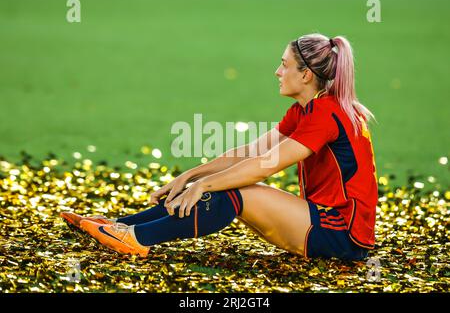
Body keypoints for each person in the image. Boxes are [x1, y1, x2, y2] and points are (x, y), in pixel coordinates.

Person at [61, 33, 378, 261]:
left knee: (233, 191)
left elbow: (267, 164)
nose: (277, 72)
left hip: (341, 234)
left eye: (285, 65)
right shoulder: (308, 109)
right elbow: (248, 153)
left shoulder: (326, 112)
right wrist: (190, 176)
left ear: (306, 74)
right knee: (227, 185)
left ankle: (137, 238)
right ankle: (122, 226)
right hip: (324, 221)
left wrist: (204, 185)